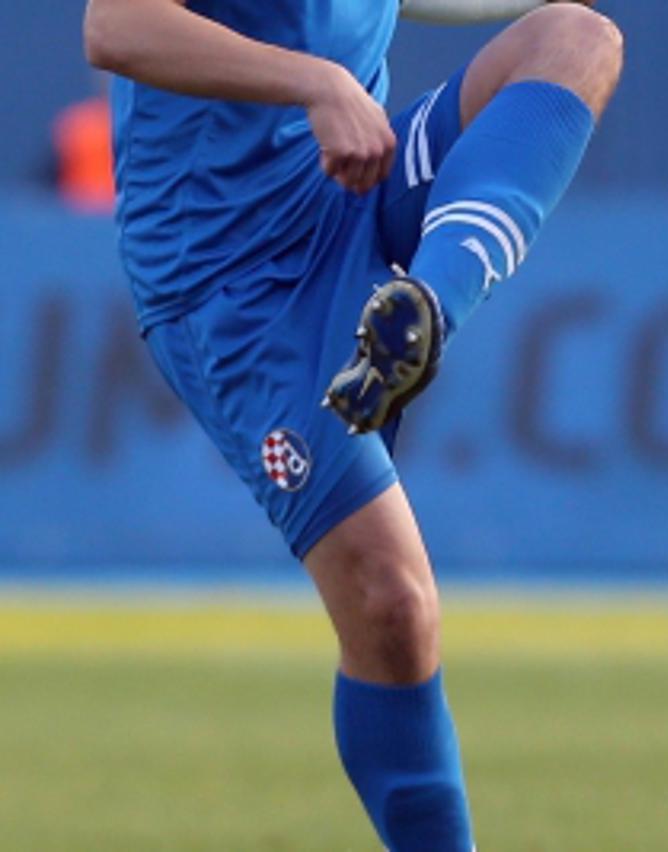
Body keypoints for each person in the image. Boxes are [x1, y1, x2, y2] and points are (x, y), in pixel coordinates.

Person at [83, 0, 621, 848]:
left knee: (574, 38)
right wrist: (318, 82)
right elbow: (114, 26)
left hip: (346, 192)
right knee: (392, 606)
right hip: (229, 277)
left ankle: (425, 310)